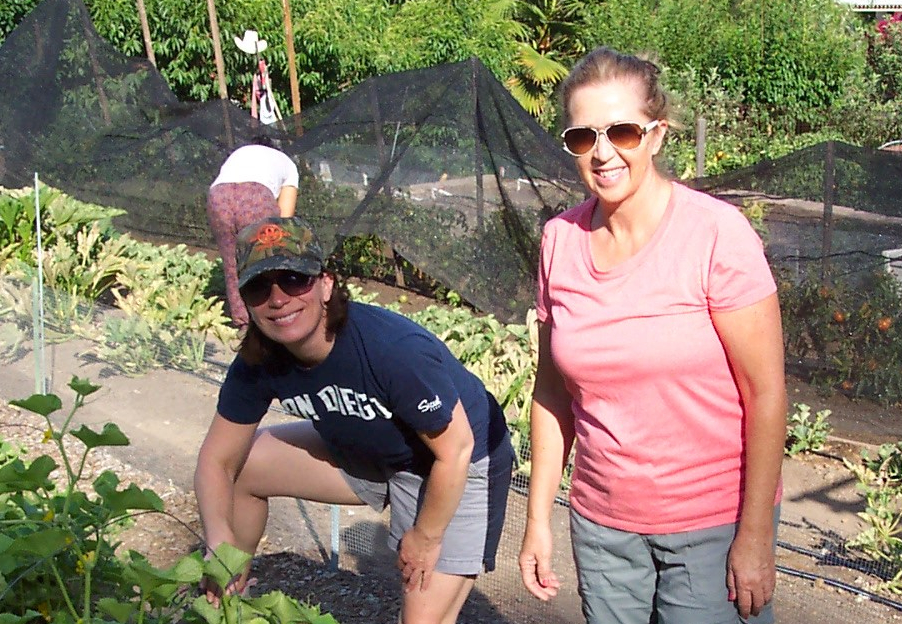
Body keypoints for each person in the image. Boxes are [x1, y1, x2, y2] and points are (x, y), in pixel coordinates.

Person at [518, 47, 787, 623]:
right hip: (603, 531)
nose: (603, 153)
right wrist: (538, 518)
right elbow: (551, 392)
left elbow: (765, 394)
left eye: (622, 132)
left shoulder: (716, 235)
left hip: (711, 528)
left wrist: (756, 535)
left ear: (657, 135)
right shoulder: (559, 241)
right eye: (583, 138)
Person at [193, 217, 514, 624]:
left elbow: (457, 449)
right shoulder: (259, 359)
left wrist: (425, 536)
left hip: (452, 461)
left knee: (422, 620)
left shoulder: (391, 349)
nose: (277, 299)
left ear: (326, 284)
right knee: (244, 465)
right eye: (259, 287)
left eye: (293, 279)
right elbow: (217, 460)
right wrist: (220, 541)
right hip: (368, 445)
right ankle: (229, 601)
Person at [210, 136, 300, 326]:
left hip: (218, 195)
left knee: (231, 262)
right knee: (266, 258)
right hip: (256, 195)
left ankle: (243, 322)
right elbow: (285, 219)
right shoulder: (287, 163)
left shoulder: (239, 153)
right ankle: (270, 318)